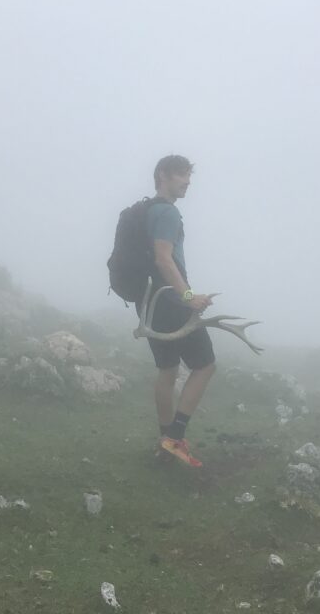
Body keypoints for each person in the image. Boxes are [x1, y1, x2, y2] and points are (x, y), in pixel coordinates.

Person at [144, 154, 215, 467]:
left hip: (150, 302)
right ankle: (175, 437)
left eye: (189, 176)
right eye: (181, 175)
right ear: (163, 176)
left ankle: (165, 441)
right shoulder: (168, 213)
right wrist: (188, 297)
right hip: (173, 302)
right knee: (205, 365)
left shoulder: (145, 210)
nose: (187, 182)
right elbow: (163, 258)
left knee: (168, 370)